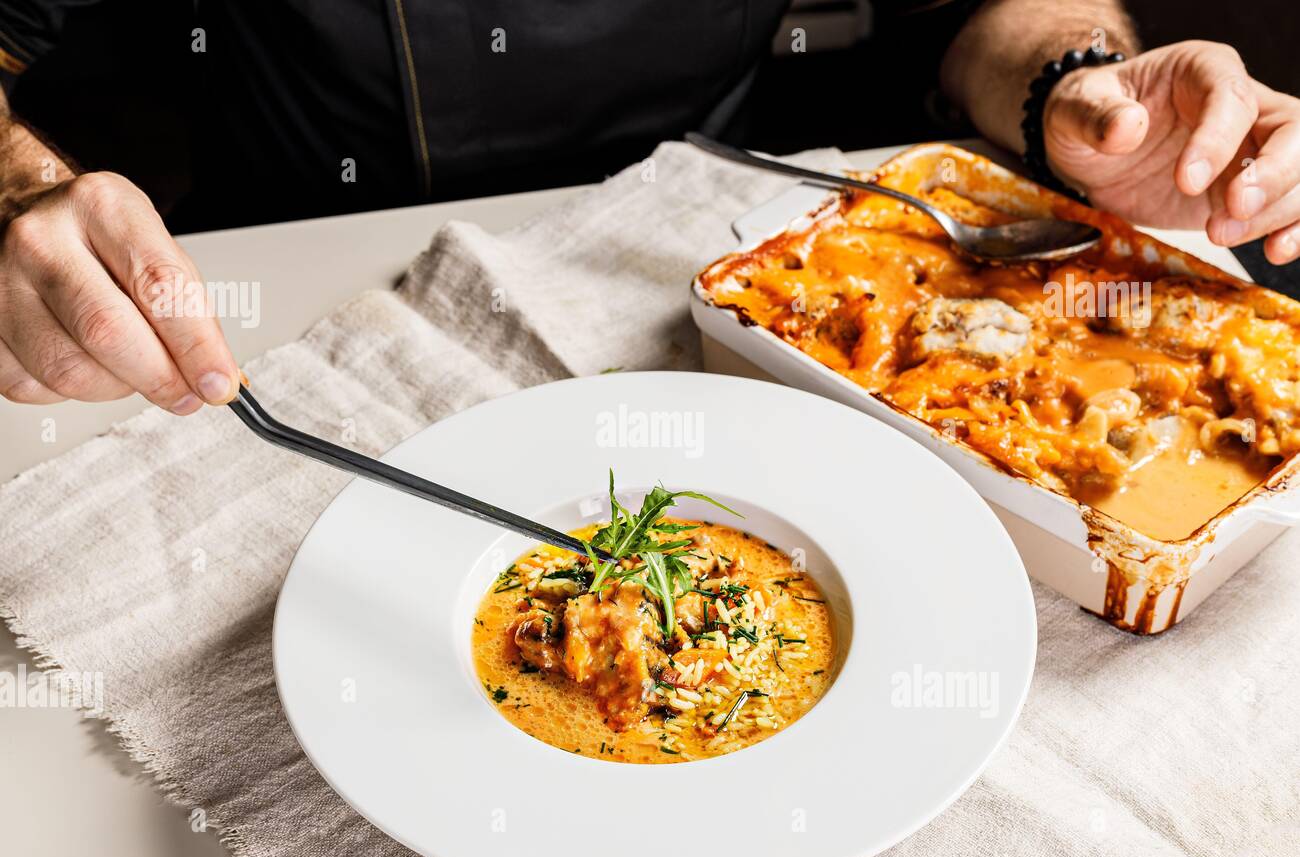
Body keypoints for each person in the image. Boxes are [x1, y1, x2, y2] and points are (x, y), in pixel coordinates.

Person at [0, 0, 1296, 416]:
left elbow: (968, 14)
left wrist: (1083, 89)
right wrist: (22, 193)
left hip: (757, 279)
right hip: (316, 300)